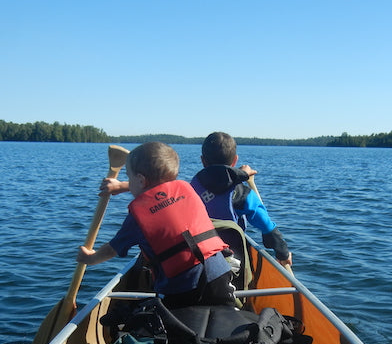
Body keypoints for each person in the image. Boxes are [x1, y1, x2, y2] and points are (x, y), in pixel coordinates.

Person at [77, 142, 235, 309]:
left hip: (182, 288)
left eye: (129, 178)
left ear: (140, 180)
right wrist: (122, 186)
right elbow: (159, 190)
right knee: (223, 316)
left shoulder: (137, 218)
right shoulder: (187, 189)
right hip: (220, 271)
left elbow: (111, 249)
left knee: (181, 330)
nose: (129, 183)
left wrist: (90, 258)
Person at [190, 132, 292, 269]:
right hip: (233, 261)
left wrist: (240, 175)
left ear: (202, 160)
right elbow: (267, 227)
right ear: (235, 161)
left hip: (199, 258)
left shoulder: (192, 187)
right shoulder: (241, 193)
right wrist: (283, 254)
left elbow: (217, 178)